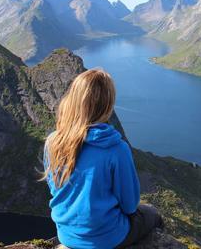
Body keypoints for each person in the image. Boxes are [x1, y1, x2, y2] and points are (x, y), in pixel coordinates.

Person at [42, 69, 164, 249]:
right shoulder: (116, 149)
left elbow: (56, 189)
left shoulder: (53, 142)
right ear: (107, 106)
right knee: (152, 215)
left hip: (67, 235)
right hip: (106, 238)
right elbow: (130, 206)